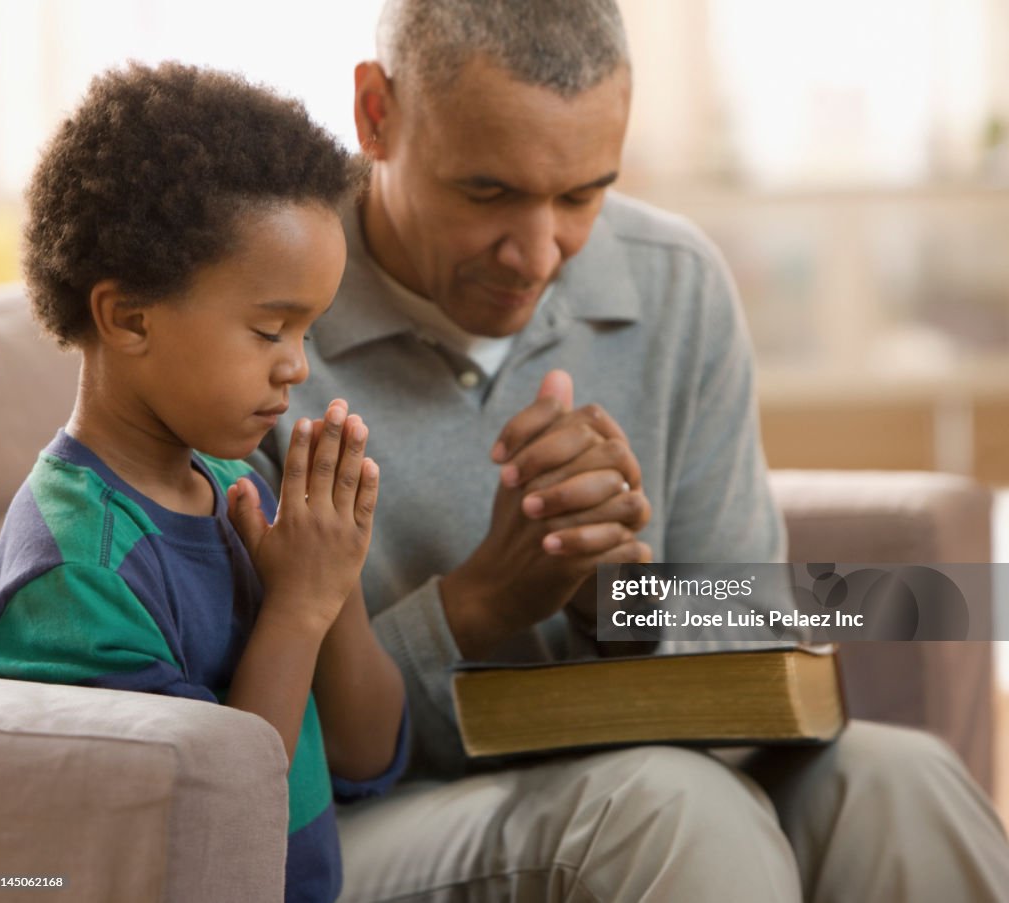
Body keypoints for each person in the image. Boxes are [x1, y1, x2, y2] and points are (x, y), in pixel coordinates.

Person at [254, 1, 1009, 900]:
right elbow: (268, 736)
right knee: (675, 804)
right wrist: (478, 603)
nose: (538, 255)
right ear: (377, 114)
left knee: (902, 782)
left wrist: (621, 605)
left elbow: (755, 639)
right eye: (487, 192)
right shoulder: (262, 309)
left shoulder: (676, 285)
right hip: (363, 817)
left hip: (628, 772)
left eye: (581, 195)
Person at [0, 62, 408, 903]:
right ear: (129, 316)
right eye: (269, 328)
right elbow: (208, 820)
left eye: (309, 328)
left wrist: (333, 583)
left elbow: (368, 758)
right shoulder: (76, 575)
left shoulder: (234, 482)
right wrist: (295, 609)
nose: (297, 366)